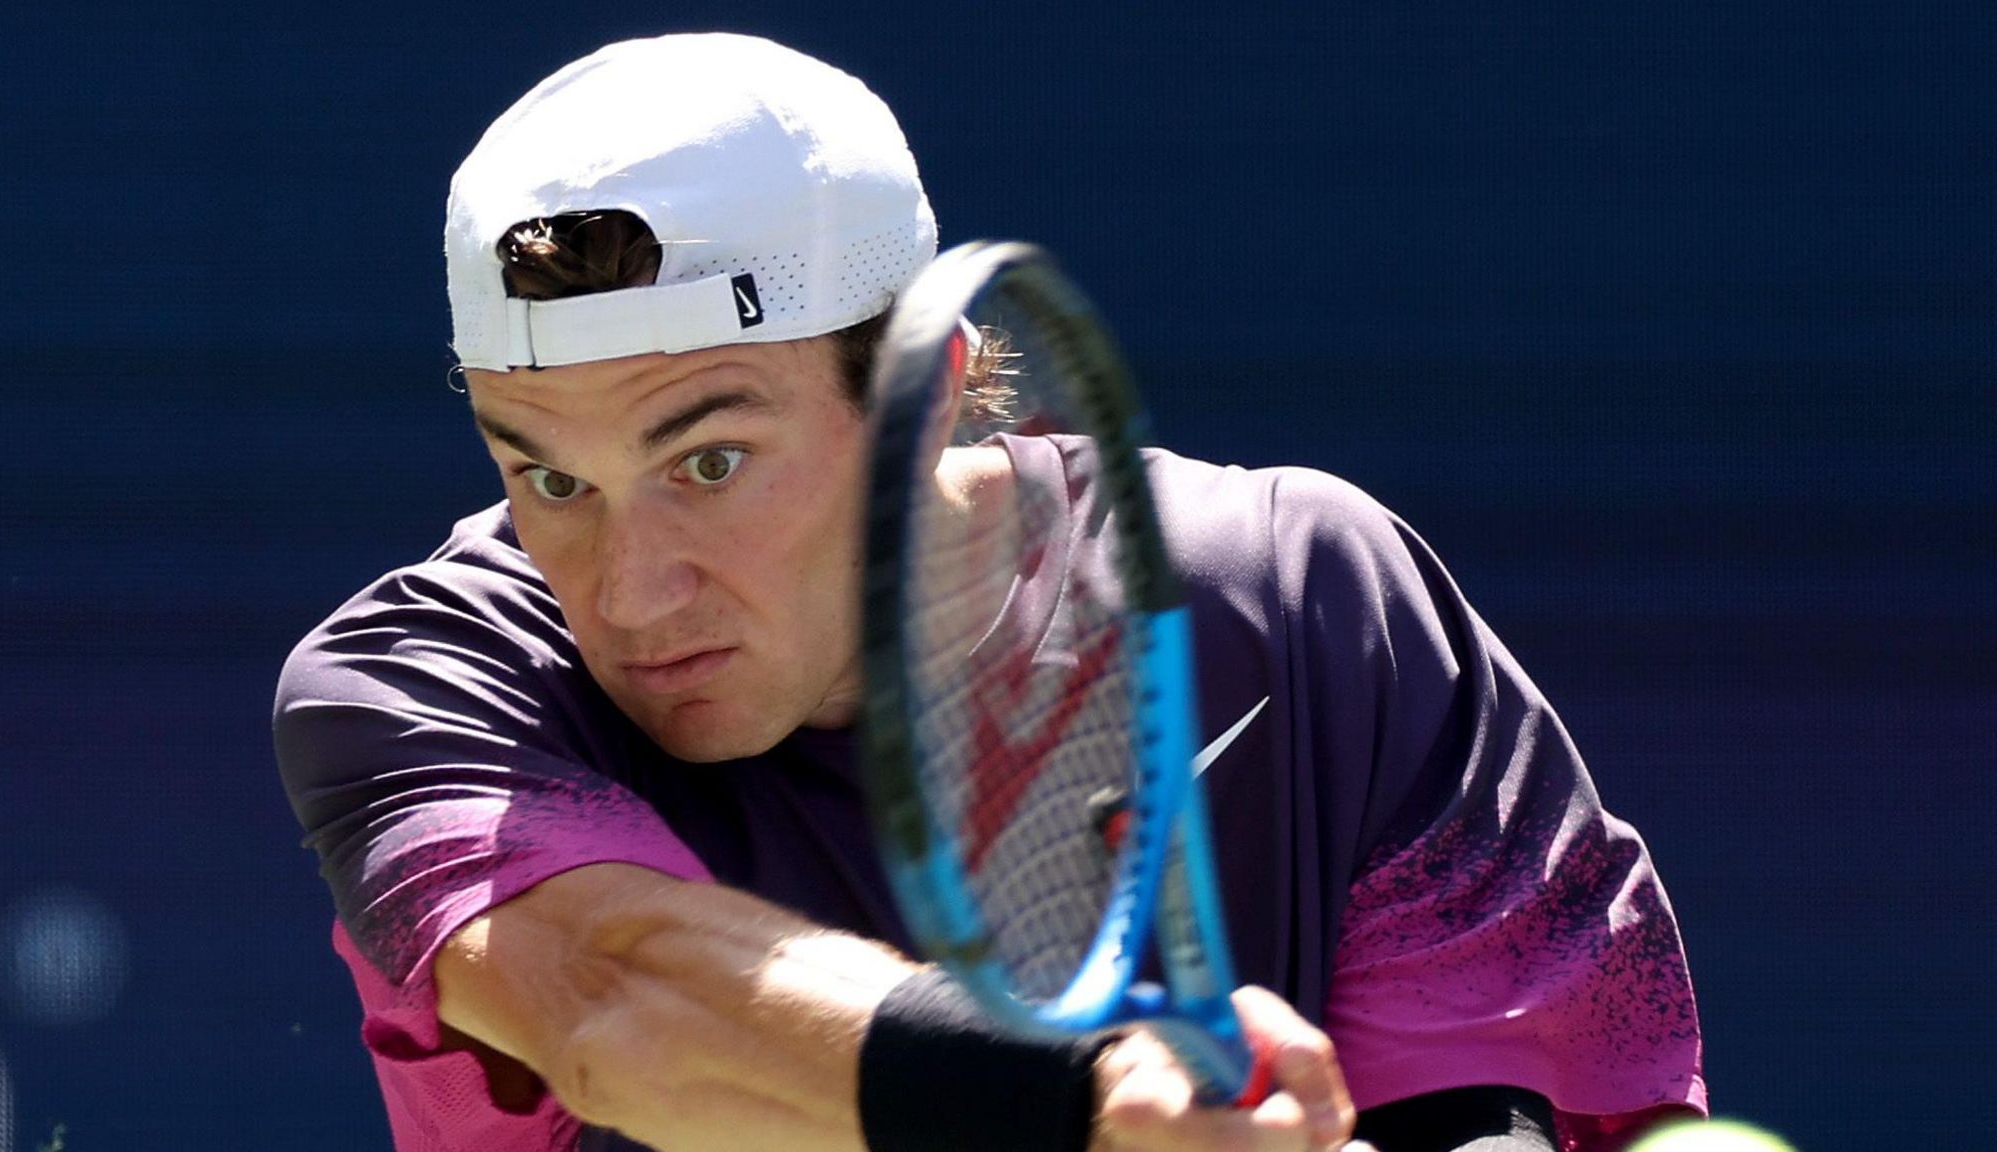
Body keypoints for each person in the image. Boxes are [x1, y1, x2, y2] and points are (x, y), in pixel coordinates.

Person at [273, 32, 1705, 1152]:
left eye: (707, 460)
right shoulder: (413, 685)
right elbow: (616, 998)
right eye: (551, 480)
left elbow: (1488, 1106)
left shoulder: (1297, 602)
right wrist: (1080, 1108)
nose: (630, 592)